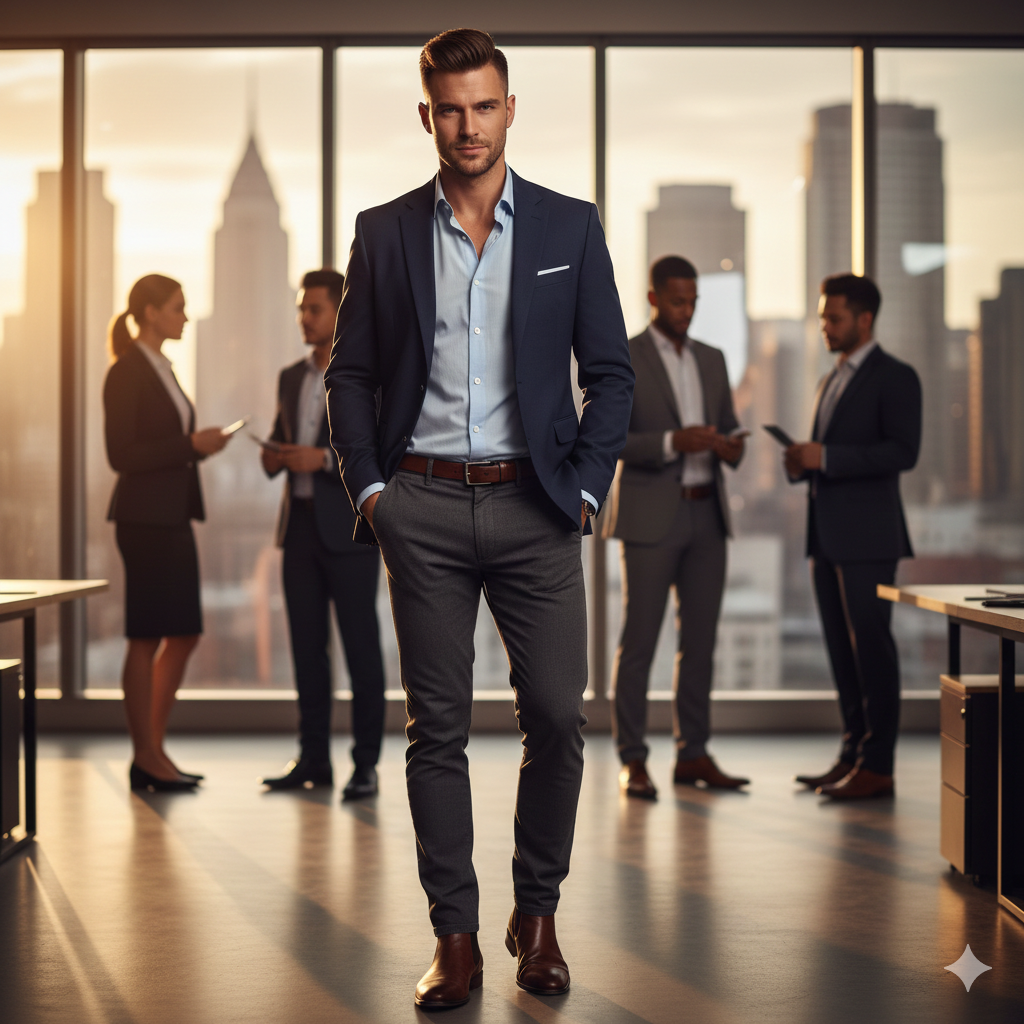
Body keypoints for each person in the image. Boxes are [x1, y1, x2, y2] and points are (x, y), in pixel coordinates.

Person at [325, 28, 634, 1010]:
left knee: (558, 717)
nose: (469, 126)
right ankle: (453, 937)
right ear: (427, 115)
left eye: (485, 106)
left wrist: (585, 489)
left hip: (537, 506)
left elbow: (612, 375)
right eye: (451, 110)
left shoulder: (568, 227)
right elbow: (351, 374)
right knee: (438, 731)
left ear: (509, 109)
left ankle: (536, 915)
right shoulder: (383, 231)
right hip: (418, 504)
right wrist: (371, 491)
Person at [602, 256, 748, 800]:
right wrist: (672, 442)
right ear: (654, 298)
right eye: (677, 301)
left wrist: (729, 446)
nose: (686, 311)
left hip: (707, 514)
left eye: (693, 302)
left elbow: (730, 428)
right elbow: (609, 437)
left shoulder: (713, 359)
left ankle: (693, 754)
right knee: (639, 642)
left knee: (700, 643)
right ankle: (632, 759)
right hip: (649, 516)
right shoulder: (626, 355)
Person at [785, 273, 921, 800]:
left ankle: (878, 765)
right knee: (842, 653)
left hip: (868, 539)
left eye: (834, 317)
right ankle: (851, 755)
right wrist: (804, 463)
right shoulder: (829, 380)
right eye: (823, 316)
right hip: (826, 537)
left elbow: (902, 452)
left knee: (872, 652)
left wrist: (826, 457)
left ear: (865, 319)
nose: (825, 325)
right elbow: (829, 457)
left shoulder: (897, 377)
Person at [260, 269, 387, 801]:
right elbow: (279, 439)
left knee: (361, 651)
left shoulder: (369, 374)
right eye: (301, 309)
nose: (304, 318)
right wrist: (274, 455)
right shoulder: (291, 377)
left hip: (351, 531)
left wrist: (322, 461)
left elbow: (378, 452)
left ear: (340, 312)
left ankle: (365, 765)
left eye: (314, 309)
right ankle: (313, 758)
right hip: (299, 531)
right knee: (306, 650)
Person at [103, 274, 231, 792]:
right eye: (177, 307)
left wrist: (197, 446)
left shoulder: (162, 368)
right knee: (147, 635)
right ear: (151, 312)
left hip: (173, 516)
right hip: (144, 521)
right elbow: (121, 454)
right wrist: (190, 445)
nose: (185, 316)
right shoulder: (127, 371)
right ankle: (146, 756)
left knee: (183, 633)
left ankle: (153, 751)